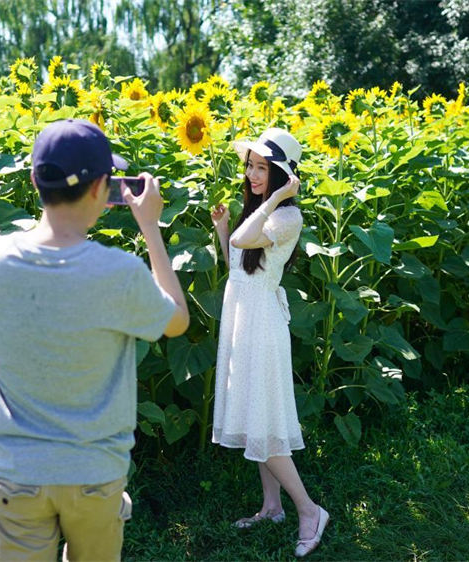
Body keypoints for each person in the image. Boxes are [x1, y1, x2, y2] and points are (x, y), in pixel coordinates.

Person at [0, 118, 189, 562]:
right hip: (93, 473)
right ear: (101, 189)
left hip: (15, 471)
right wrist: (150, 226)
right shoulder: (119, 274)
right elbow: (178, 321)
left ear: (35, 180)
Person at [210, 127, 329, 558]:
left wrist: (276, 199)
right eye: (251, 165)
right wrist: (223, 229)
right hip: (245, 318)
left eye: (263, 168)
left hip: (261, 324)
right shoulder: (258, 212)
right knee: (256, 413)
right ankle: (272, 506)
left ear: (282, 176)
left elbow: (248, 241)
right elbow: (238, 264)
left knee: (265, 424)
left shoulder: (285, 216)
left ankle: (310, 511)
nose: (252, 174)